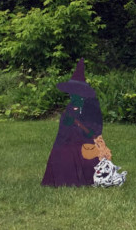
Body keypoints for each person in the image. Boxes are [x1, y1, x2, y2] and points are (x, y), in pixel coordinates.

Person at [41, 59, 126, 187]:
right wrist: (69, 124)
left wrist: (79, 129)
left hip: (86, 143)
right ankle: (60, 180)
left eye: (76, 93)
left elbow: (97, 128)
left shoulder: (92, 107)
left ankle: (87, 178)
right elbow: (62, 131)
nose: (72, 96)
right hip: (68, 142)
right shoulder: (69, 108)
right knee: (60, 151)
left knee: (82, 152)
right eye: (71, 93)